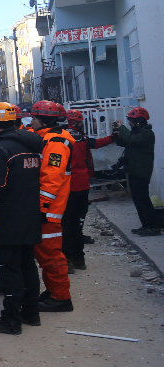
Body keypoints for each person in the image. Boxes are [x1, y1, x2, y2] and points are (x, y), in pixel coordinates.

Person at [0, 102, 44, 335]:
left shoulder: (0, 149)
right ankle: (31, 313)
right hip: (30, 217)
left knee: (9, 270)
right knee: (27, 267)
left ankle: (11, 320)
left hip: (7, 221)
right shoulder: (31, 146)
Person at [28, 100, 75, 313]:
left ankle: (61, 297)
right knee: (45, 254)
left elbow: (51, 178)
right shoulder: (49, 138)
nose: (31, 121)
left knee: (51, 254)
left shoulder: (56, 141)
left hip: (49, 210)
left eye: (34, 118)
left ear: (43, 119)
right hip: (49, 208)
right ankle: (53, 291)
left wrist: (42, 207)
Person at [63, 110, 115, 269]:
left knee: (66, 224)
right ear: (79, 122)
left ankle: (68, 260)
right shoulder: (82, 138)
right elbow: (98, 143)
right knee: (78, 225)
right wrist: (115, 136)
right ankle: (79, 260)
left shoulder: (62, 137)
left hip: (68, 186)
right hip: (83, 185)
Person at [112, 107, 159, 236]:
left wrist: (122, 128)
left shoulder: (147, 133)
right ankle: (145, 225)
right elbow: (124, 142)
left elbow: (131, 140)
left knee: (143, 200)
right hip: (133, 170)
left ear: (138, 120)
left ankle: (153, 227)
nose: (129, 123)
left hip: (141, 172)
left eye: (131, 121)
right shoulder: (137, 132)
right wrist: (116, 131)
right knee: (138, 200)